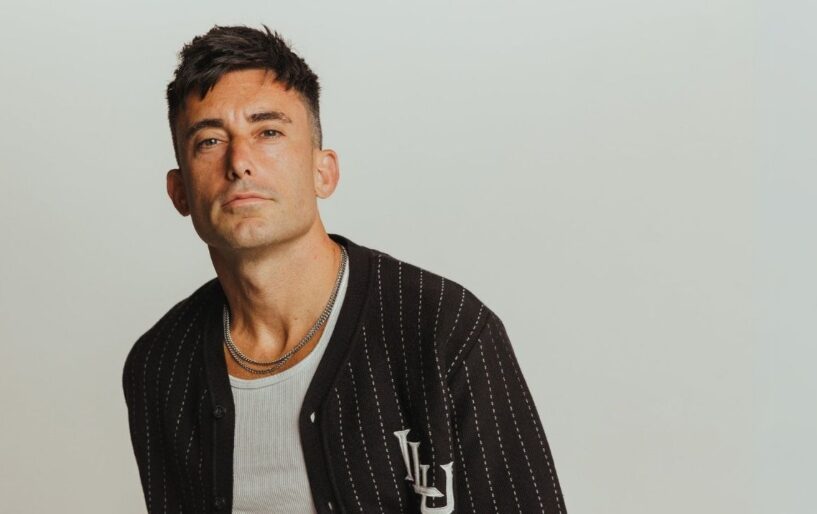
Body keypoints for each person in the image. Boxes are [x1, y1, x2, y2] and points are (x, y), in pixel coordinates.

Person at [123, 24, 567, 514]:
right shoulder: (160, 366)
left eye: (268, 132)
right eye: (209, 141)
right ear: (179, 192)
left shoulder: (444, 329)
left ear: (324, 172)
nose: (240, 162)